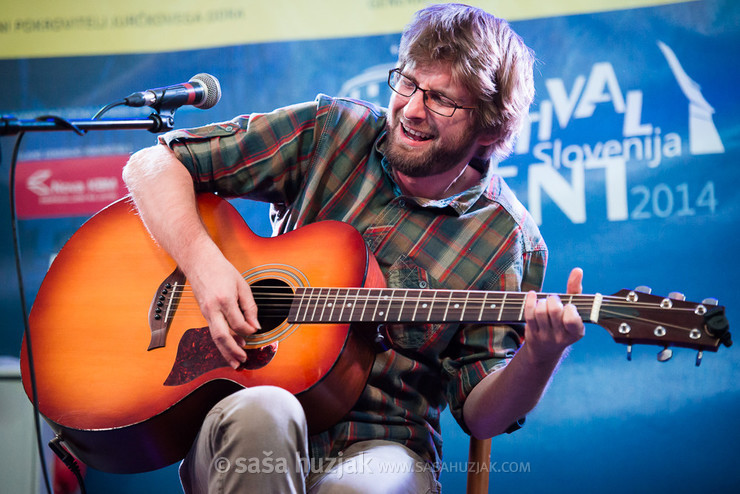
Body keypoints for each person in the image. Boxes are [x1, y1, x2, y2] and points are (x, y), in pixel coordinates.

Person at [122, 3, 584, 493]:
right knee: (265, 411)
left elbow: (482, 416)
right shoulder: (331, 131)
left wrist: (539, 356)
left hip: (383, 448)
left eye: (441, 100)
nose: (410, 108)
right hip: (252, 408)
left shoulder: (506, 237)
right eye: (407, 82)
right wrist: (203, 265)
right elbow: (154, 166)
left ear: (489, 129)